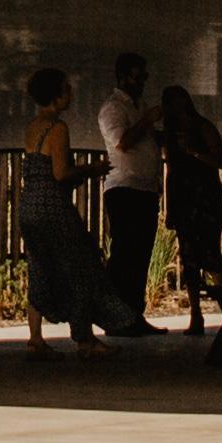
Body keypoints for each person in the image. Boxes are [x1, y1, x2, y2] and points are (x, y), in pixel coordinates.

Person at [16, 66, 111, 349]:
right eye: (67, 89)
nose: (71, 93)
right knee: (78, 267)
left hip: (29, 204)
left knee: (39, 268)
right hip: (52, 207)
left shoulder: (34, 126)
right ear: (56, 95)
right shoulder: (58, 128)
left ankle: (35, 338)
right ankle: (85, 339)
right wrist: (91, 169)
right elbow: (60, 173)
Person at [150, 72, 222, 354]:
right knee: (188, 258)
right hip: (183, 197)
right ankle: (196, 313)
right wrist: (170, 207)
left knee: (211, 254)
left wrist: (194, 152)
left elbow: (219, 161)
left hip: (205, 196)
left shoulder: (203, 127)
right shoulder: (170, 134)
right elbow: (169, 168)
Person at [96, 52, 166, 338]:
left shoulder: (139, 106)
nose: (142, 82)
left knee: (141, 254)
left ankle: (134, 314)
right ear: (123, 77)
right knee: (125, 253)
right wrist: (147, 121)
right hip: (125, 188)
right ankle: (115, 316)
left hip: (146, 187)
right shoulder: (113, 108)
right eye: (138, 77)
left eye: (144, 77)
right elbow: (122, 142)